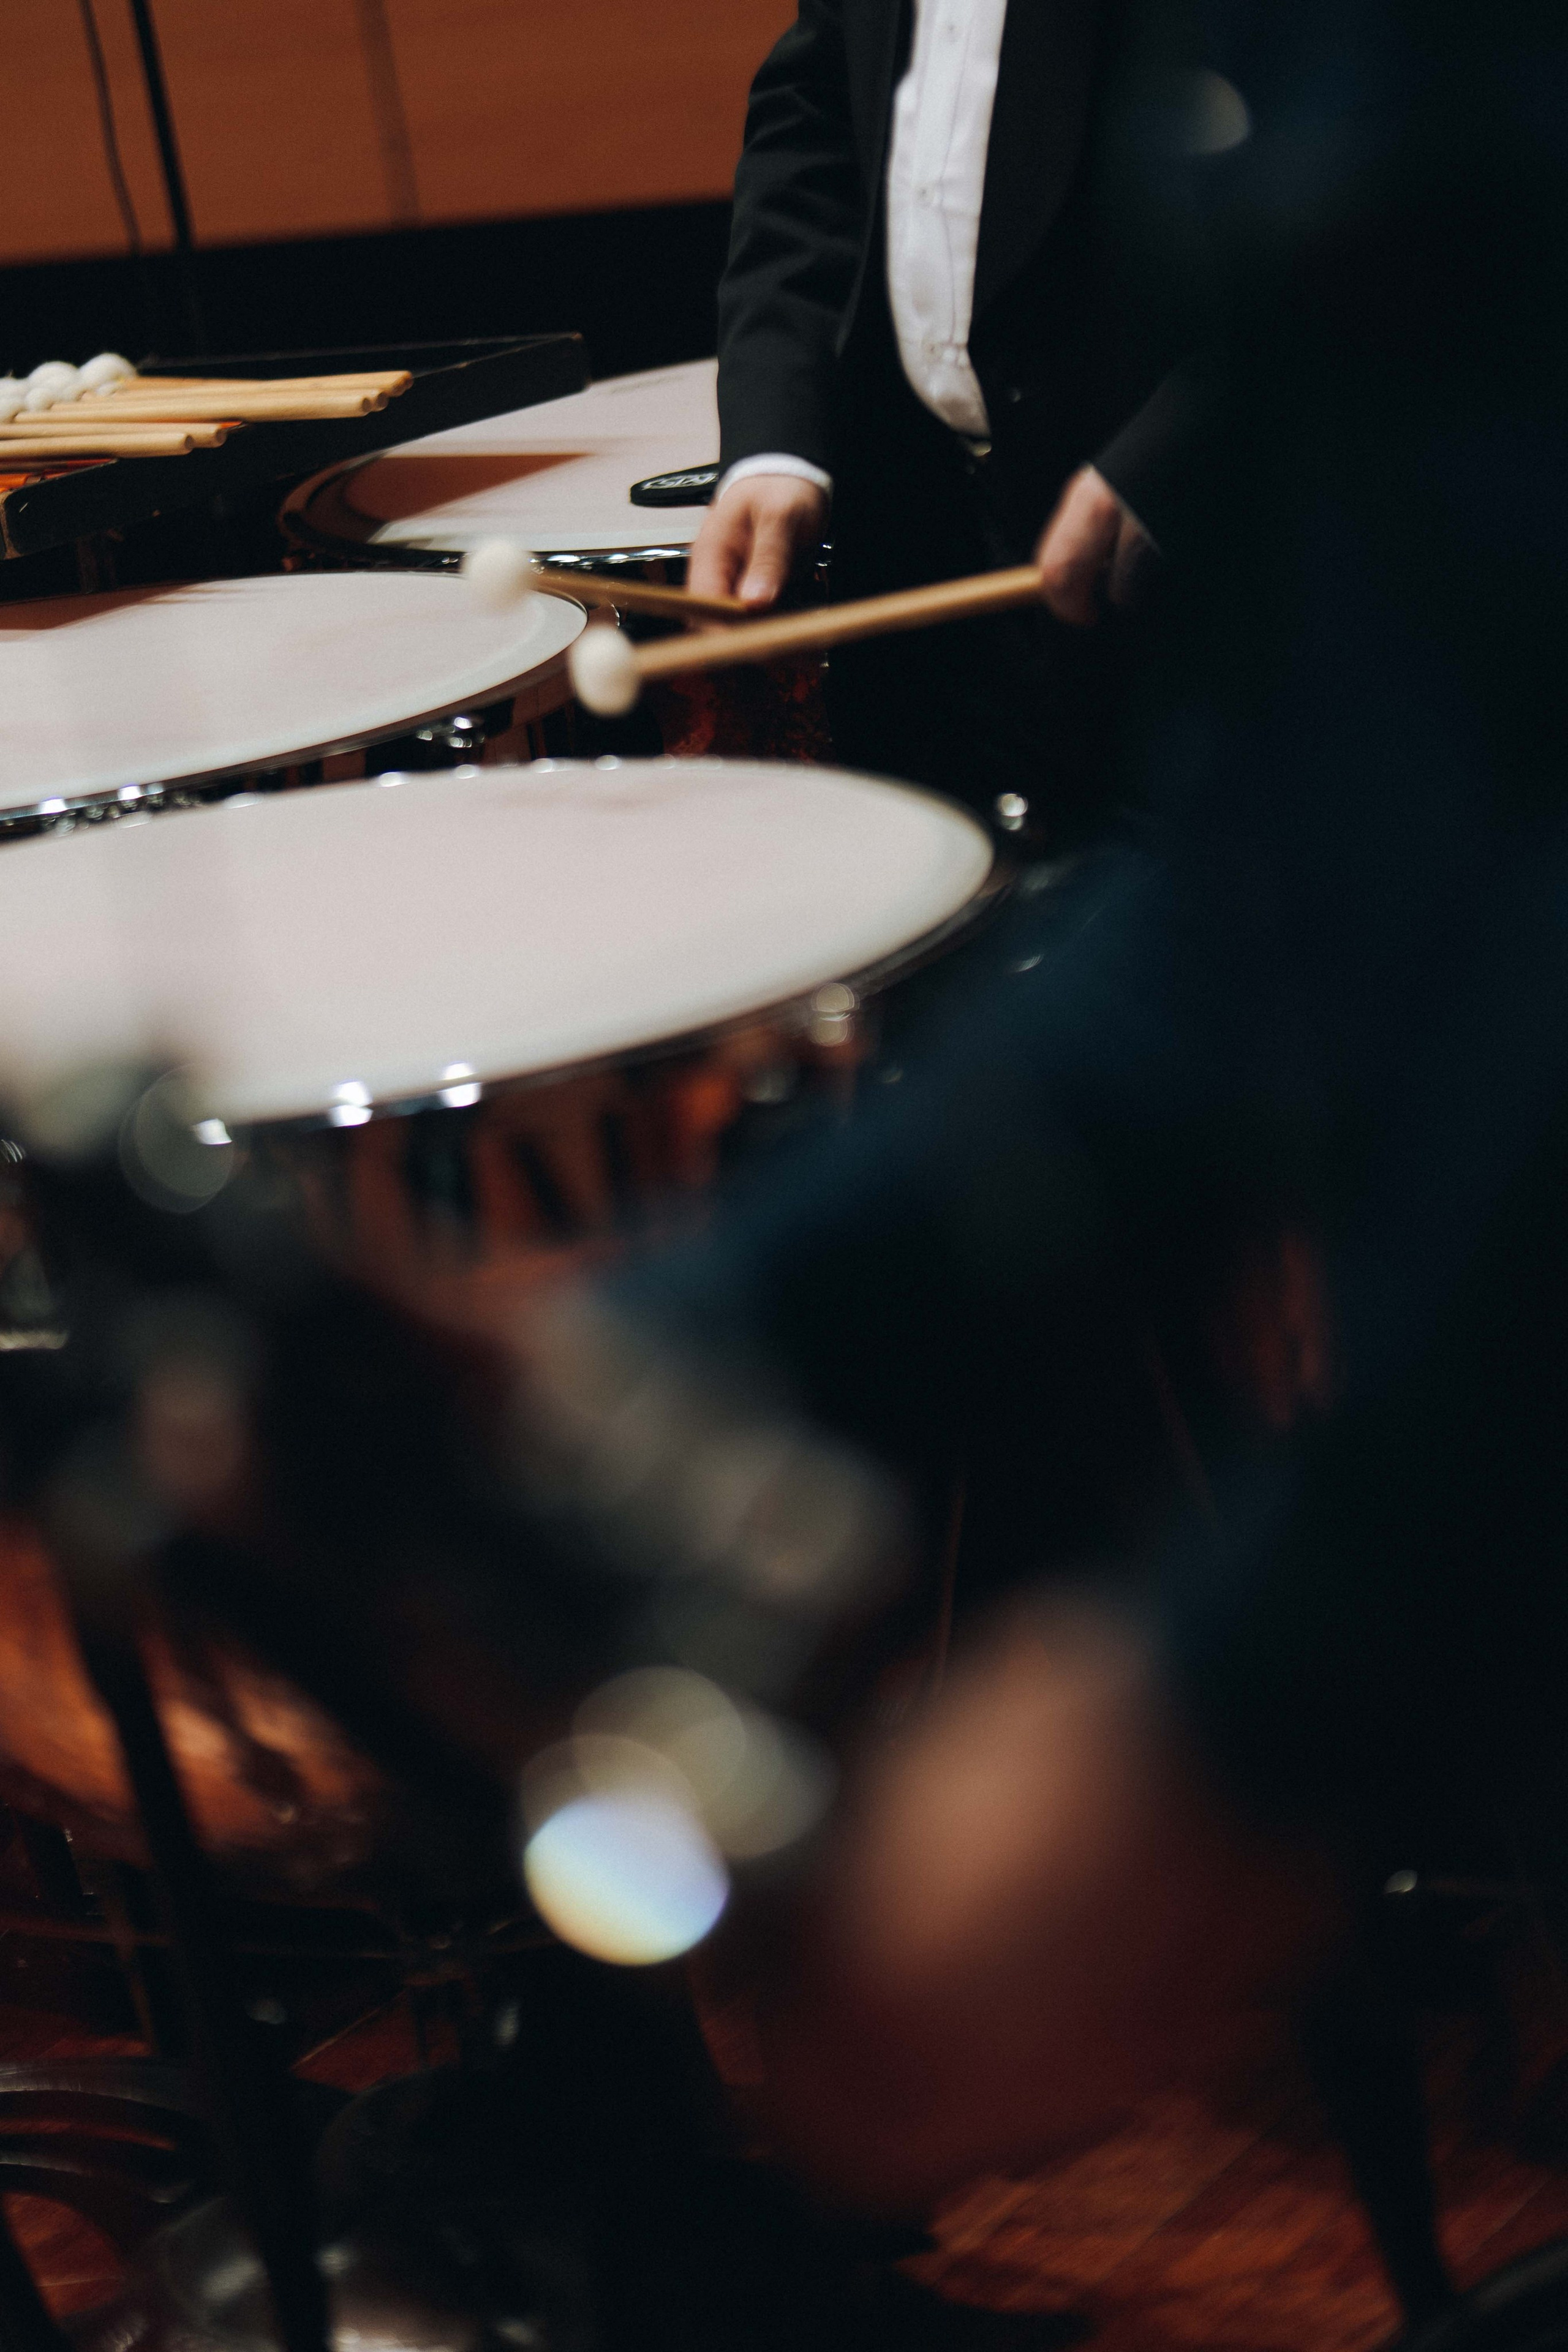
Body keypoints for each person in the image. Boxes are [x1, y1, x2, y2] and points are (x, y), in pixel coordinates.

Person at [685, 0, 1210, 840]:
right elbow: (815, 120)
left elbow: (1376, 180)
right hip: (924, 551)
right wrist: (778, 438)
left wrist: (1188, 449)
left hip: (1182, 585)